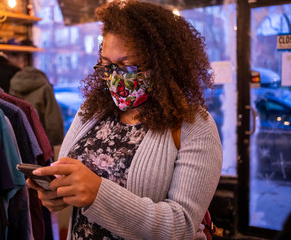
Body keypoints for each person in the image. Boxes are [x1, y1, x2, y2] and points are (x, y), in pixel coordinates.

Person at [27, 1, 223, 239]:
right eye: (107, 65)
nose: (114, 77)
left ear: (163, 64)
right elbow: (70, 178)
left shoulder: (194, 125)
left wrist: (98, 193)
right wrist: (57, 195)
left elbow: (181, 225)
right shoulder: (92, 111)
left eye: (126, 65)